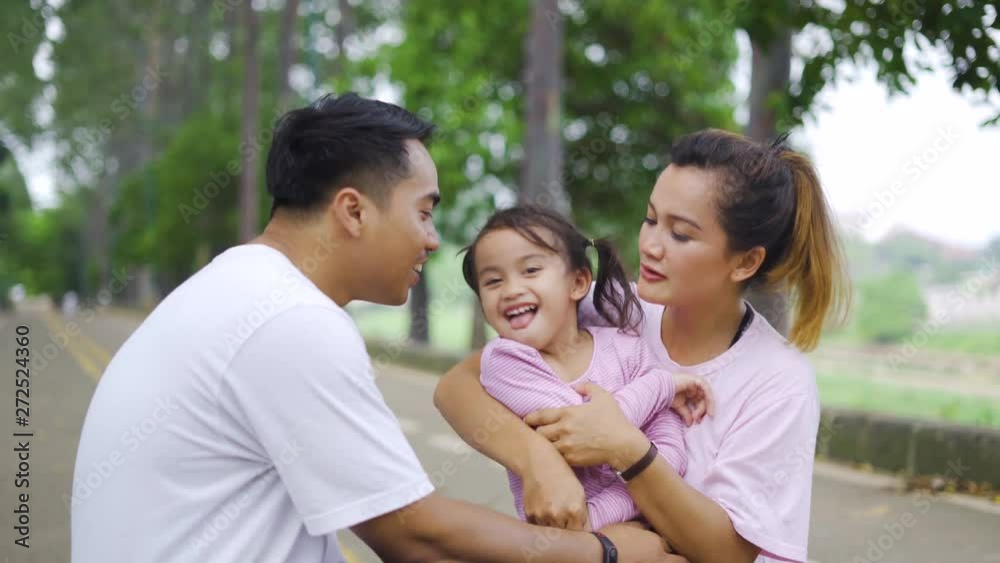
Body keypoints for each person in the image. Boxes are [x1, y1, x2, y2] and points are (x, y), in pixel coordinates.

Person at [70, 93, 675, 563]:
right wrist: (606, 552)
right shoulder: (289, 320)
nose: (432, 240)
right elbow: (413, 538)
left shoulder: (242, 287)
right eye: (424, 212)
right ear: (354, 210)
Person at [435, 129, 850, 563]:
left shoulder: (779, 382)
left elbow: (730, 552)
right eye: (651, 220)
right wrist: (538, 459)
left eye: (681, 234)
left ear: (745, 261)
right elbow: (457, 387)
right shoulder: (610, 304)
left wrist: (627, 449)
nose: (650, 246)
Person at [462, 205, 713, 532]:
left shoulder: (626, 345)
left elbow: (668, 452)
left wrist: (596, 516)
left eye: (531, 270)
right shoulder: (505, 361)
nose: (511, 290)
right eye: (493, 281)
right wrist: (662, 387)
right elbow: (582, 429)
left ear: (579, 282)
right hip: (561, 538)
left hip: (617, 525)